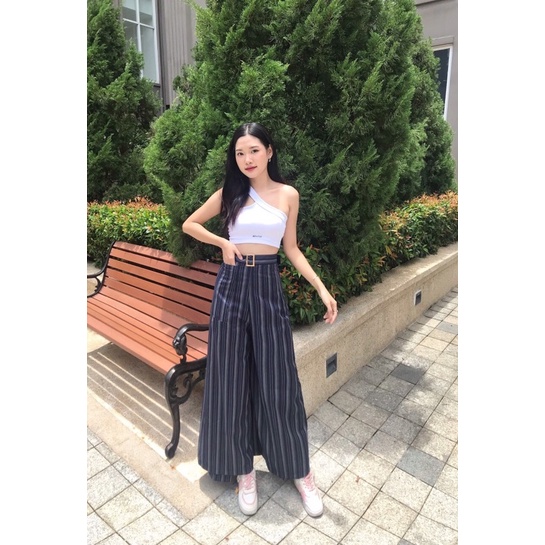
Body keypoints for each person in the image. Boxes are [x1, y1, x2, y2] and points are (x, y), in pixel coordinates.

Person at [182, 122, 338, 518]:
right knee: (230, 378)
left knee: (279, 378)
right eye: (240, 153)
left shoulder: (288, 195)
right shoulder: (230, 193)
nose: (247, 159)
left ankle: (300, 470)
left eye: (253, 150)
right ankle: (243, 470)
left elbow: (292, 248)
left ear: (269, 151)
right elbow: (190, 224)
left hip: (267, 284)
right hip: (231, 285)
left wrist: (321, 289)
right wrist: (222, 242)